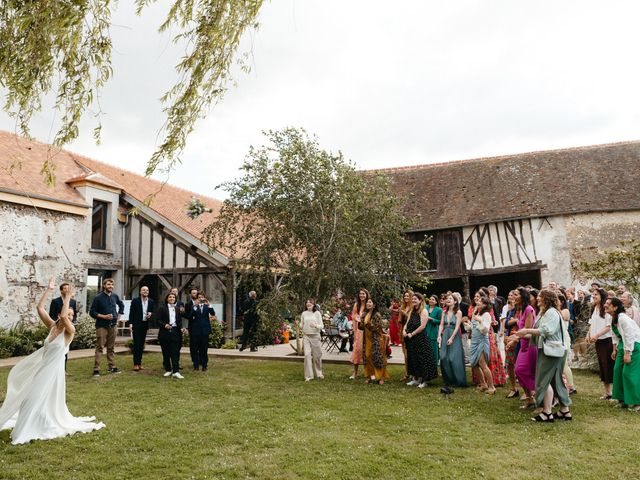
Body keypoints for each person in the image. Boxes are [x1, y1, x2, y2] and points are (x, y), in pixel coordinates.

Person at [0, 278, 105, 444]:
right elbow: (40, 308)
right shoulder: (53, 327)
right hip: (42, 369)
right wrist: (49, 290)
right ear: (58, 315)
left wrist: (68, 297)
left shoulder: (70, 331)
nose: (69, 317)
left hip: (53, 373)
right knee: (30, 399)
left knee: (35, 398)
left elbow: (64, 316)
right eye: (67, 314)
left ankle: (32, 427)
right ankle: (34, 421)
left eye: (72, 315)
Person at [516, 289, 572, 422]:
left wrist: (527, 330)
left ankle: (547, 413)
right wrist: (520, 335)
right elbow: (539, 332)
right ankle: (564, 411)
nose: (537, 299)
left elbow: (546, 330)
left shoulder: (551, 312)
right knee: (555, 381)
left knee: (543, 380)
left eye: (540, 297)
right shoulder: (545, 313)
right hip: (550, 350)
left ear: (546, 299)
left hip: (551, 351)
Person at [606, 297, 640, 410]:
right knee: (617, 370)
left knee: (628, 373)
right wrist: (614, 349)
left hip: (633, 346)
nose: (605, 305)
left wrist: (627, 353)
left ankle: (636, 402)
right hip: (622, 345)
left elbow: (629, 335)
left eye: (608, 304)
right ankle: (622, 399)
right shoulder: (612, 318)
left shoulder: (623, 318)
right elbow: (615, 334)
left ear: (615, 307)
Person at [89, 278, 124, 377]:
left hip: (113, 325)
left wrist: (119, 316)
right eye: (108, 285)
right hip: (101, 326)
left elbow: (121, 305)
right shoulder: (98, 297)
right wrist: (103, 316)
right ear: (104, 285)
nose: (111, 286)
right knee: (100, 347)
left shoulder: (115, 296)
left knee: (111, 347)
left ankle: (112, 367)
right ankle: (96, 369)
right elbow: (92, 312)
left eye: (112, 285)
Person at [509, 286, 537, 408]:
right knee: (518, 371)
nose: (513, 297)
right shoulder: (520, 310)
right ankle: (529, 398)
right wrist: (514, 340)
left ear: (523, 296)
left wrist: (514, 338)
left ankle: (537, 395)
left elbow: (527, 331)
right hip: (523, 346)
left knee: (526, 371)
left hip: (530, 346)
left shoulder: (529, 309)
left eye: (516, 295)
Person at [403, 293, 438, 388]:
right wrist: (404, 330)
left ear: (420, 300)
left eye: (415, 299)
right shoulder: (411, 311)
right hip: (410, 339)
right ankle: (416, 379)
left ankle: (424, 380)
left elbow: (422, 326)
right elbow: (407, 323)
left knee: (421, 359)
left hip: (420, 339)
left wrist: (412, 333)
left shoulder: (424, 311)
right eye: (412, 299)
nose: (413, 300)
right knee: (413, 359)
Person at [587, 288, 614, 400]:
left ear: (602, 296)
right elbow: (591, 323)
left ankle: (613, 392)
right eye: (593, 294)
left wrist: (597, 335)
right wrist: (588, 335)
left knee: (609, 365)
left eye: (596, 294)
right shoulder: (594, 308)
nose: (593, 296)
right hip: (597, 341)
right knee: (602, 366)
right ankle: (607, 392)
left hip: (607, 341)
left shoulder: (606, 308)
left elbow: (608, 327)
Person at [467, 295, 495, 394]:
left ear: (485, 305)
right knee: (474, 364)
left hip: (482, 341)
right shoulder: (475, 312)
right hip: (474, 341)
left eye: (481, 302)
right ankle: (483, 384)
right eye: (478, 300)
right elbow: (473, 326)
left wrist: (480, 320)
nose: (478, 302)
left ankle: (492, 387)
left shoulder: (486, 315)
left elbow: (485, 329)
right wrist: (468, 326)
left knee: (482, 364)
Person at [438, 294, 467, 389]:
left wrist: (452, 338)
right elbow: (441, 325)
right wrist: (439, 336)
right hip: (445, 334)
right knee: (443, 357)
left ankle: (458, 380)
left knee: (453, 358)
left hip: (454, 336)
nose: (448, 300)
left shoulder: (458, 312)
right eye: (447, 299)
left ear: (455, 301)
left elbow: (457, 326)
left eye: (450, 298)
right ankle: (448, 380)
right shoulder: (444, 312)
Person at [157, 292, 186, 379]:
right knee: (165, 352)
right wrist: (164, 325)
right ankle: (168, 370)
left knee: (175, 352)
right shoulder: (162, 308)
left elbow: (179, 321)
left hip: (175, 332)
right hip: (164, 332)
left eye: (173, 297)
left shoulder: (177, 309)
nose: (172, 298)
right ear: (167, 299)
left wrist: (181, 328)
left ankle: (176, 371)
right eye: (170, 297)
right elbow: (158, 320)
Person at [360, 297, 388, 384]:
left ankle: (381, 377)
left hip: (376, 339)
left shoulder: (377, 315)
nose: (368, 304)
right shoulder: (365, 314)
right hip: (367, 338)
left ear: (374, 305)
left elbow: (375, 328)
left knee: (378, 357)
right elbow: (361, 328)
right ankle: (369, 375)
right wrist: (360, 322)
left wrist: (366, 324)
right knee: (367, 356)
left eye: (370, 302)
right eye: (367, 302)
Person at [187, 290, 215, 371]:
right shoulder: (194, 307)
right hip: (195, 331)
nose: (200, 299)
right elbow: (190, 316)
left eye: (202, 297)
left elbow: (213, 314)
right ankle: (195, 365)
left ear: (204, 297)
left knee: (204, 349)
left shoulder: (207, 306)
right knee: (195, 349)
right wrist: (195, 306)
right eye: (199, 297)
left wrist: (209, 305)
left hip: (205, 331)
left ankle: (204, 365)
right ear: (197, 298)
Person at [129, 285, 154, 371]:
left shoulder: (151, 301)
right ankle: (135, 364)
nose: (145, 292)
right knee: (137, 344)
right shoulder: (135, 301)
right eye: (143, 290)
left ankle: (139, 363)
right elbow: (131, 312)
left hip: (145, 324)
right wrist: (131, 323)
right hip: (136, 324)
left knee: (141, 344)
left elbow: (152, 312)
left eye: (147, 290)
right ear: (140, 292)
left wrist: (150, 314)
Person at [299, 298, 324, 381]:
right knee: (307, 355)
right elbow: (301, 324)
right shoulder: (304, 313)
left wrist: (316, 325)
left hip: (315, 336)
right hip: (306, 336)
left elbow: (321, 326)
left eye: (310, 302)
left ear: (313, 304)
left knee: (317, 356)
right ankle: (308, 376)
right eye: (307, 302)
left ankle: (319, 373)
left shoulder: (317, 313)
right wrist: (299, 325)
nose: (308, 303)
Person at [502, 290, 520, 399]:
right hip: (509, 339)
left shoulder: (525, 310)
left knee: (520, 366)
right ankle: (513, 388)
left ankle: (527, 390)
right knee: (509, 365)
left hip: (520, 340)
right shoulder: (511, 311)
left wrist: (515, 320)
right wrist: (514, 320)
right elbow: (507, 323)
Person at [558, 293, 577, 395]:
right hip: (558, 338)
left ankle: (571, 386)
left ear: (561, 301)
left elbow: (563, 318)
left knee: (564, 364)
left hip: (564, 339)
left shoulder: (565, 311)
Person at [349, 288, 370, 379]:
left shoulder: (369, 305)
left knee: (366, 351)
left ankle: (367, 372)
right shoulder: (356, 305)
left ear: (367, 295)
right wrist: (354, 330)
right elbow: (353, 317)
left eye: (363, 294)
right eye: (360, 294)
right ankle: (355, 373)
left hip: (367, 331)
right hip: (359, 331)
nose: (362, 295)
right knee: (357, 350)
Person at [397, 289, 414, 380]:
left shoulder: (413, 307)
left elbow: (413, 319)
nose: (406, 298)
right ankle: (407, 373)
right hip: (402, 330)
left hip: (410, 331)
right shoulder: (403, 307)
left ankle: (412, 373)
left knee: (410, 353)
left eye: (408, 296)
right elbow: (400, 321)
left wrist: (405, 313)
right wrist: (400, 313)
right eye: (405, 296)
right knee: (405, 354)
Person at [425, 295, 442, 366]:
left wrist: (432, 319)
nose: (431, 300)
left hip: (433, 331)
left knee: (433, 350)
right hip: (425, 330)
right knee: (425, 350)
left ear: (436, 302)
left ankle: (434, 366)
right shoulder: (425, 307)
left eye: (433, 300)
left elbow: (440, 321)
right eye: (430, 299)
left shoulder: (438, 310)